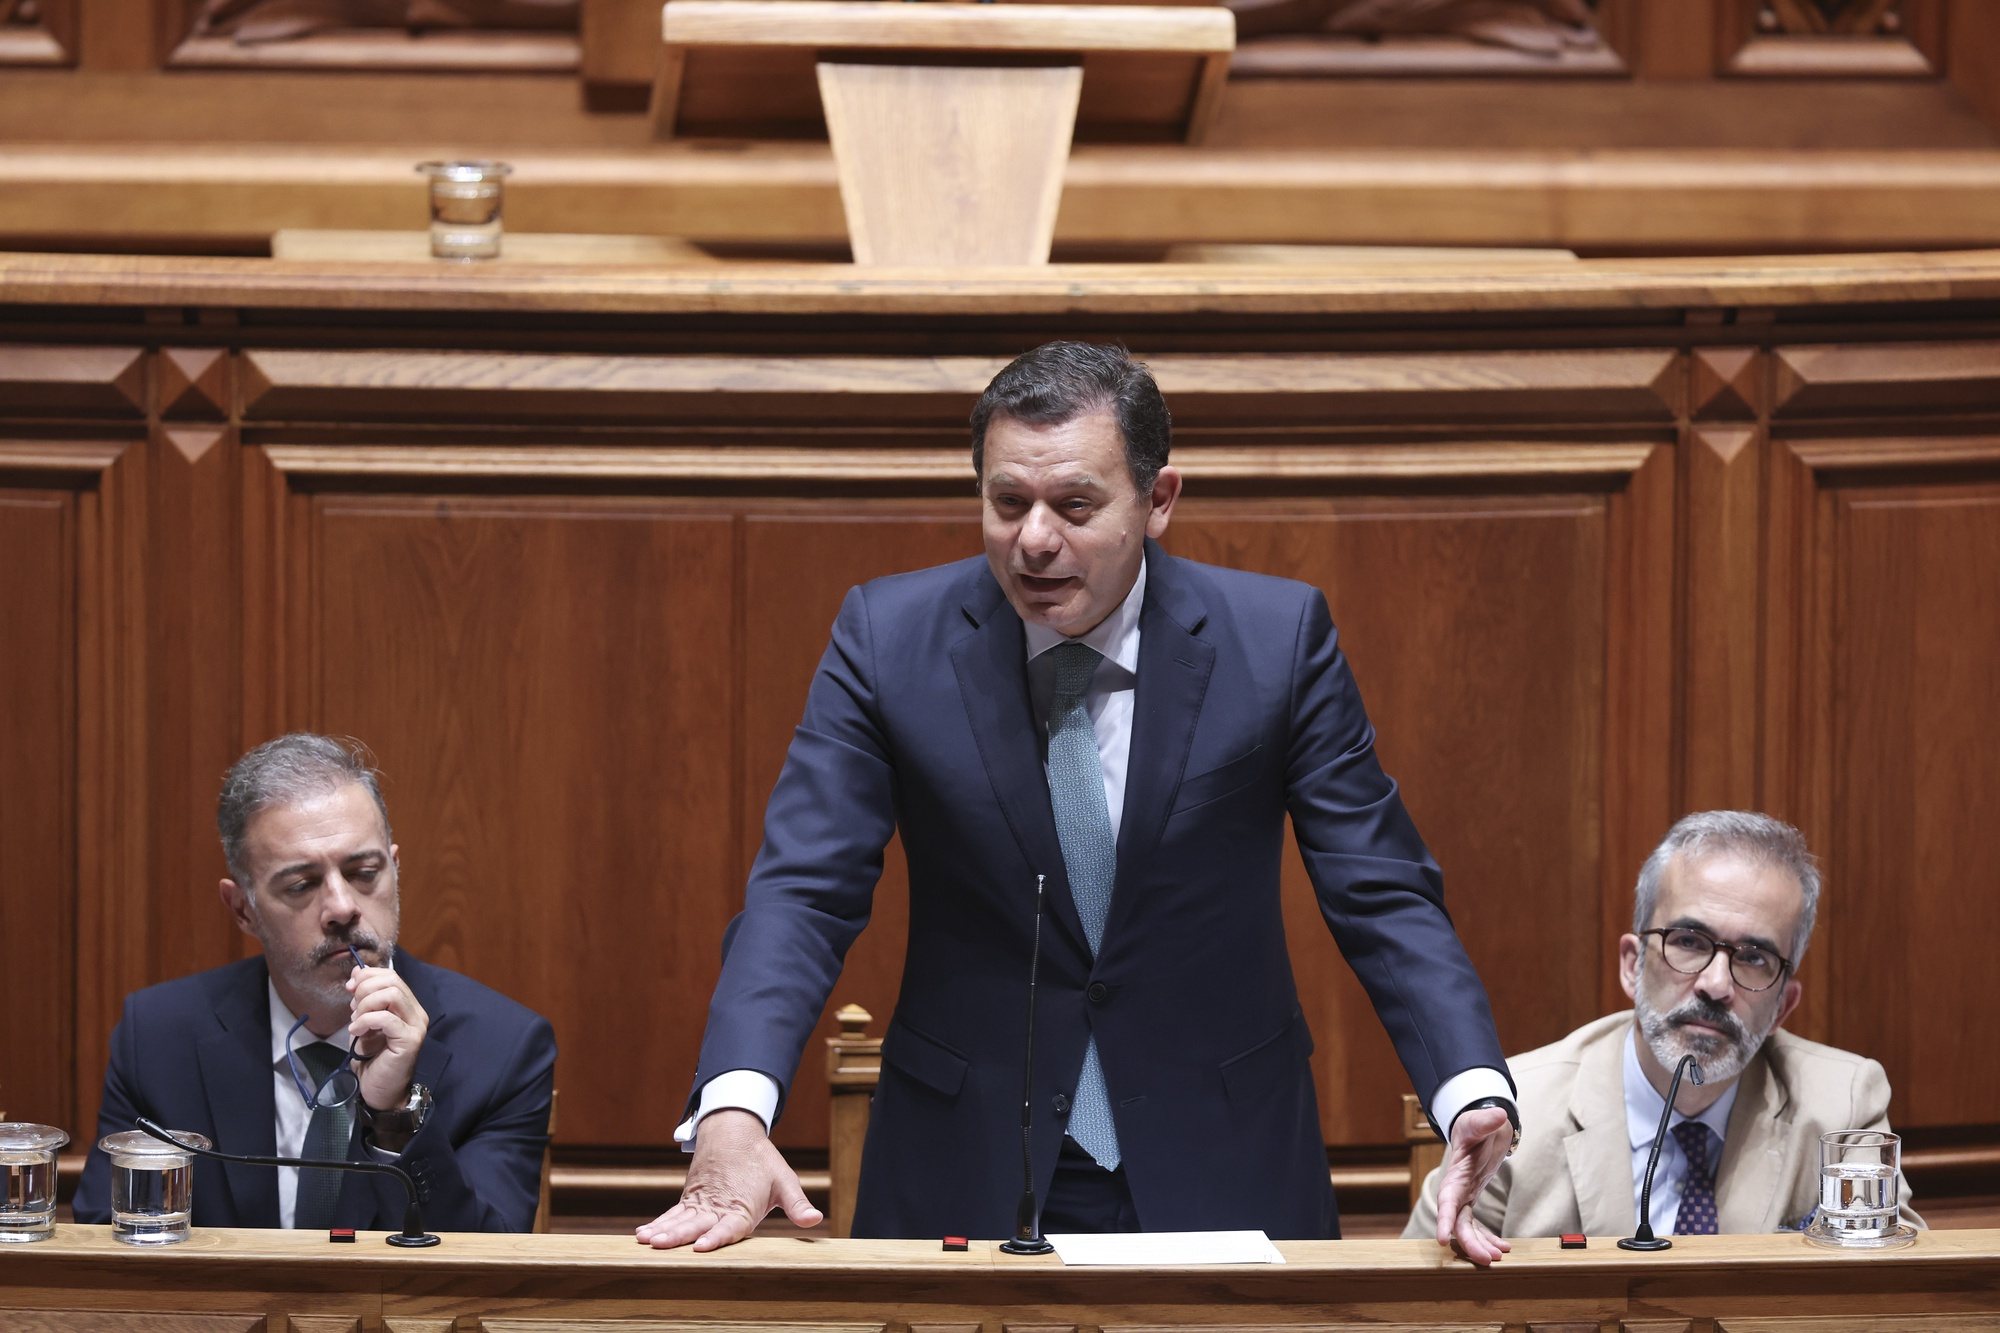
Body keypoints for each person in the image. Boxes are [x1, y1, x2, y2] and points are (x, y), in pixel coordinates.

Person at [641, 342, 1518, 1260]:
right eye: (1007, 502)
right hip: (963, 1158)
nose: (1034, 539)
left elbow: (1380, 889)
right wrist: (736, 1106)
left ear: (1160, 499)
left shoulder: (1277, 642)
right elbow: (803, 891)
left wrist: (1467, 1087)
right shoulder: (886, 639)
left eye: (1075, 505)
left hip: (1221, 1155)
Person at [74, 733, 556, 1233]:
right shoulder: (157, 1038)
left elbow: (488, 1266)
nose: (343, 907)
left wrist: (393, 1115)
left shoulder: (504, 1049)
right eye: (302, 885)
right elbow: (104, 1245)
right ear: (242, 908)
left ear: (395, 868)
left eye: (365, 872)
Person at [1405, 810, 1922, 1239]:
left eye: (1754, 957)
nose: (1717, 984)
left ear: (1782, 1009)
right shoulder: (1517, 1112)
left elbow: (1897, 1296)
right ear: (1633, 966)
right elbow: (1417, 1306)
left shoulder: (1843, 1105)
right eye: (1690, 942)